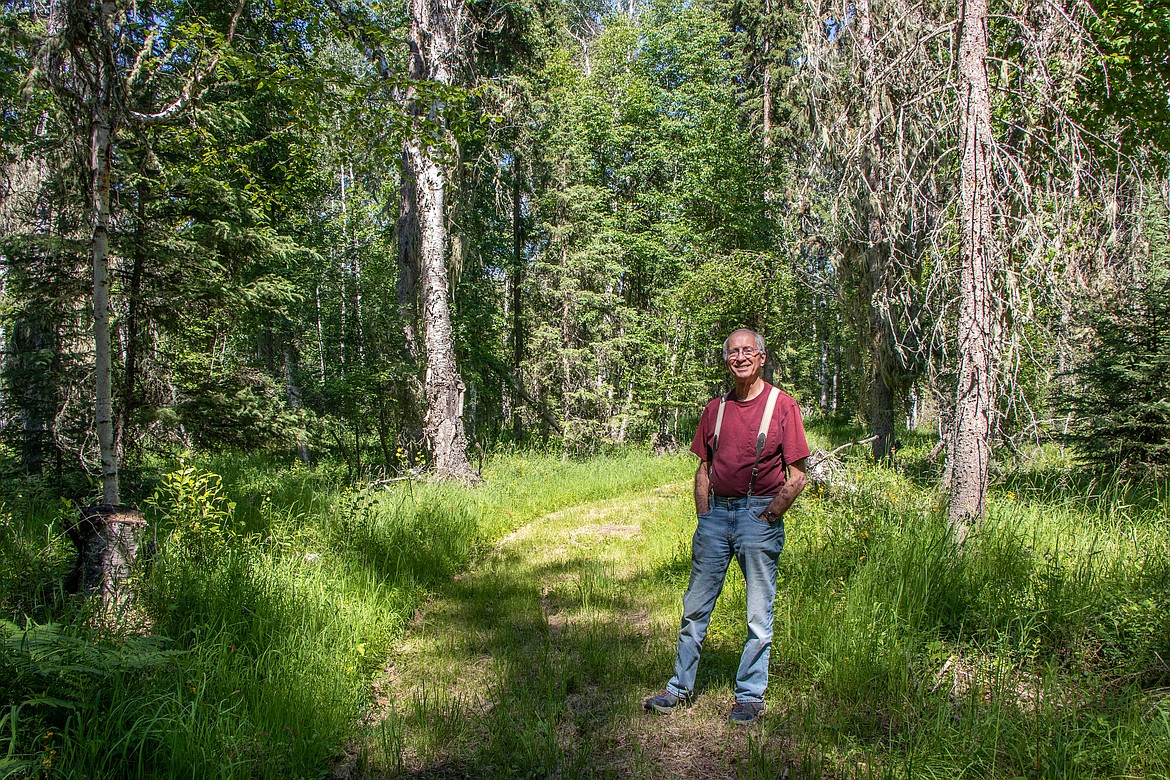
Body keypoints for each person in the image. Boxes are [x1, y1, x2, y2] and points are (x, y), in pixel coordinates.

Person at [644, 328, 810, 724]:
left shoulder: (782, 406)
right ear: (727, 360)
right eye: (733, 352)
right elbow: (703, 468)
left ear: (762, 357)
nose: (739, 358)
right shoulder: (714, 409)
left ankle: (750, 695)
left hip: (758, 518)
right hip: (716, 518)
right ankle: (678, 688)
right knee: (694, 609)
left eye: (747, 351)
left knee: (757, 615)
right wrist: (705, 516)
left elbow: (799, 475)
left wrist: (769, 516)